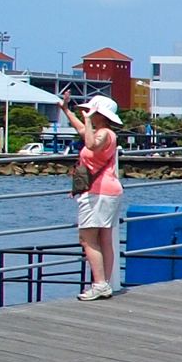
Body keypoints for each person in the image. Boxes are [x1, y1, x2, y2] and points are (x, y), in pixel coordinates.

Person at [64, 94, 124, 300]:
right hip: (108, 190)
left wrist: (87, 120)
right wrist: (67, 111)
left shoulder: (104, 134)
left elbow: (90, 144)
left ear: (99, 113)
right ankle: (105, 283)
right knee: (104, 238)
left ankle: (99, 284)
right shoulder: (104, 133)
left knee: (88, 239)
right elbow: (83, 132)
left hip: (99, 192)